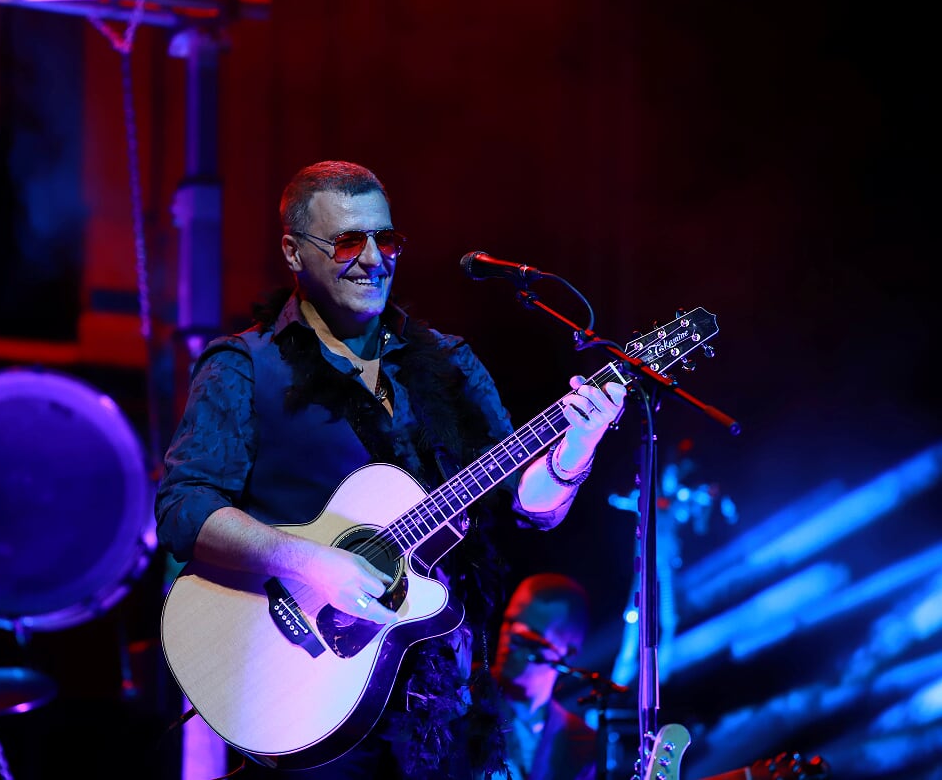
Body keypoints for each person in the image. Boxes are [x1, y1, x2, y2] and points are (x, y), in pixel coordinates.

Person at [154, 160, 627, 779]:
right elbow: (184, 508)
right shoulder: (244, 366)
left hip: (442, 702)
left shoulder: (450, 363)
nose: (375, 260)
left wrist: (577, 449)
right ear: (294, 252)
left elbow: (529, 505)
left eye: (388, 239)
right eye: (349, 242)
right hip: (307, 693)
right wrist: (313, 564)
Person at [490, 573, 599, 780]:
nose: (511, 639)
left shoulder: (583, 746)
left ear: (568, 654)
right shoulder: (458, 696)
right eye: (509, 622)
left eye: (529, 636)